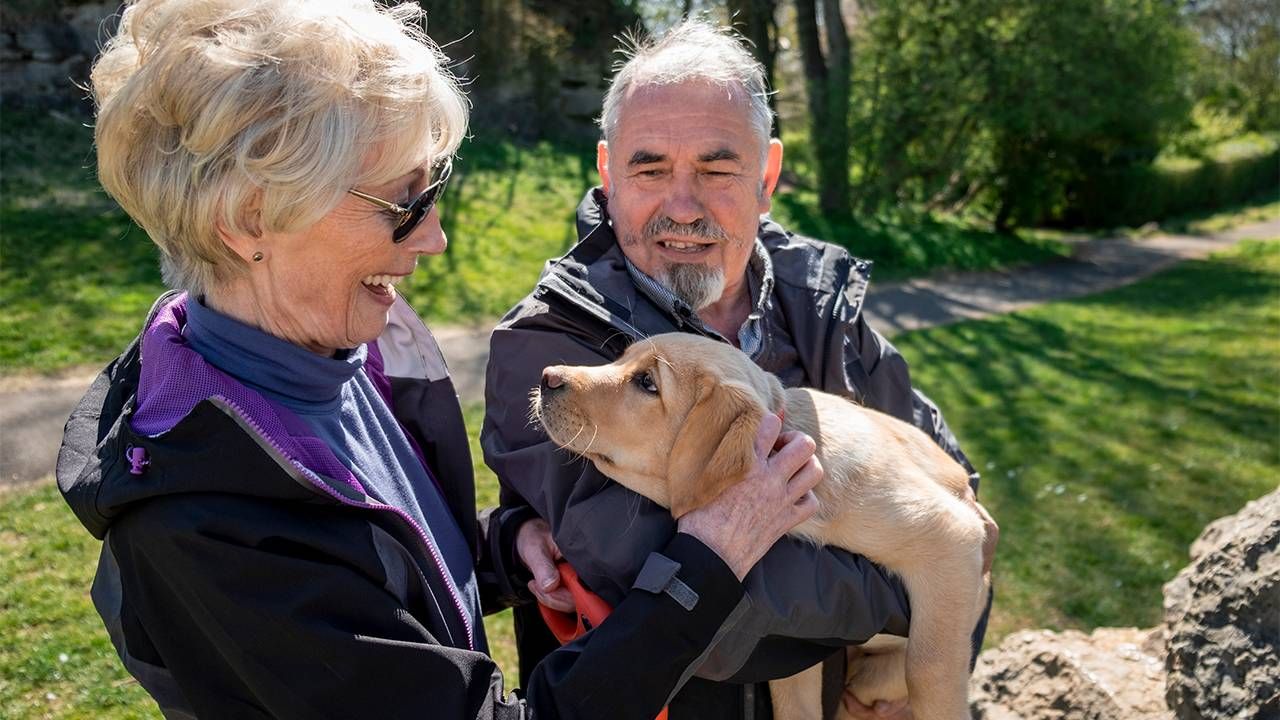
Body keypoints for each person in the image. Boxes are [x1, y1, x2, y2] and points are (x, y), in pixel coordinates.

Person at [56, 2, 825, 718]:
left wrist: (502, 550)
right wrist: (708, 561)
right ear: (249, 218)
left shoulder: (340, 355)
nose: (434, 239)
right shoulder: (210, 525)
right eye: (404, 204)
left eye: (435, 191)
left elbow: (386, 569)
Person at [481, 19, 999, 720]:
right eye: (650, 167)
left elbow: (957, 488)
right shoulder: (545, 348)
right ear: (607, 175)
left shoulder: (820, 305)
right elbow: (715, 621)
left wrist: (940, 557)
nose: (683, 205)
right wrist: (921, 569)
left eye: (718, 169)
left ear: (768, 176)